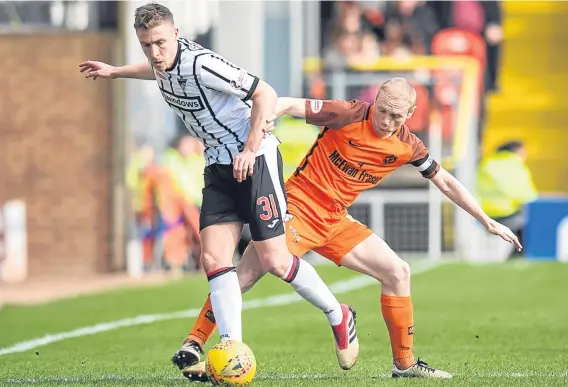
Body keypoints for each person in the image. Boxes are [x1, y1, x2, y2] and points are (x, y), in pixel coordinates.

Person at [79, 1, 358, 371]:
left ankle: (338, 315)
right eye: (146, 45)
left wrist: (250, 147)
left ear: (176, 34)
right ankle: (231, 349)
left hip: (254, 160)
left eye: (160, 42)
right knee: (213, 259)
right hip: (218, 166)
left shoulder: (202, 63)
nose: (155, 52)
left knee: (274, 260)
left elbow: (266, 94)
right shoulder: (161, 62)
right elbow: (157, 71)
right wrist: (115, 72)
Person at [180, 78, 522, 380]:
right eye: (383, 111)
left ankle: (404, 366)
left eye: (396, 116)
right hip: (296, 209)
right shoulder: (349, 113)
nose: (387, 121)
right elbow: (291, 103)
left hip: (336, 219)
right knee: (242, 278)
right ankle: (195, 344)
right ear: (376, 101)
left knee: (397, 272)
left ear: (412, 112)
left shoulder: (408, 145)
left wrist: (485, 220)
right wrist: (270, 114)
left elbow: (445, 182)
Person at [476, 140, 537, 258]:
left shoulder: (486, 163)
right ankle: (517, 255)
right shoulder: (516, 165)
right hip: (508, 213)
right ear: (517, 151)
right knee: (529, 224)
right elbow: (527, 194)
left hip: (483, 214)